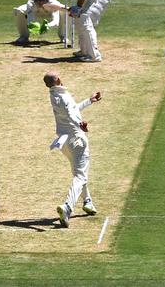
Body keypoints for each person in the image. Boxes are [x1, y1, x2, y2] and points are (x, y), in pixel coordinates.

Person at [43, 71, 101, 228]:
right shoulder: (62, 97)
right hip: (76, 140)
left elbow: (73, 109)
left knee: (78, 174)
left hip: (64, 142)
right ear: (59, 80)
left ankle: (87, 201)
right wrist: (80, 124)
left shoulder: (55, 95)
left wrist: (89, 101)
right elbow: (71, 113)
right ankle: (67, 206)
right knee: (80, 177)